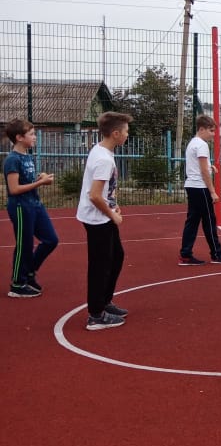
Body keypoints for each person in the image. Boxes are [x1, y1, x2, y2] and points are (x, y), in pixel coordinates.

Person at [76, 111, 133, 330]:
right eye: (126, 131)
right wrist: (112, 214)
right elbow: (94, 195)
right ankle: (96, 315)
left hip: (101, 214)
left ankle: (104, 301)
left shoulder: (102, 151)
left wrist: (112, 204)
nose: (127, 135)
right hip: (97, 218)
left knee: (116, 256)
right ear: (116, 133)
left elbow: (103, 192)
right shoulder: (103, 159)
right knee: (100, 265)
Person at [4, 118, 58, 297]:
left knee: (51, 240)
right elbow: (14, 189)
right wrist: (40, 183)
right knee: (25, 245)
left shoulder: (28, 156)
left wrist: (39, 178)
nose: (35, 137)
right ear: (19, 137)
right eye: (32, 134)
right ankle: (17, 284)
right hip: (21, 207)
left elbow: (27, 181)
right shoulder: (12, 160)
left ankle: (28, 272)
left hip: (35, 204)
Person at [179, 114, 221, 266]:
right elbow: (203, 171)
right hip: (200, 187)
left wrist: (210, 167)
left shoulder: (192, 143)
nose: (213, 134)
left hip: (192, 186)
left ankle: (185, 255)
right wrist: (212, 191)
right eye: (211, 131)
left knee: (192, 222)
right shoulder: (202, 145)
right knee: (209, 221)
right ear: (201, 129)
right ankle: (217, 254)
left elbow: (200, 166)